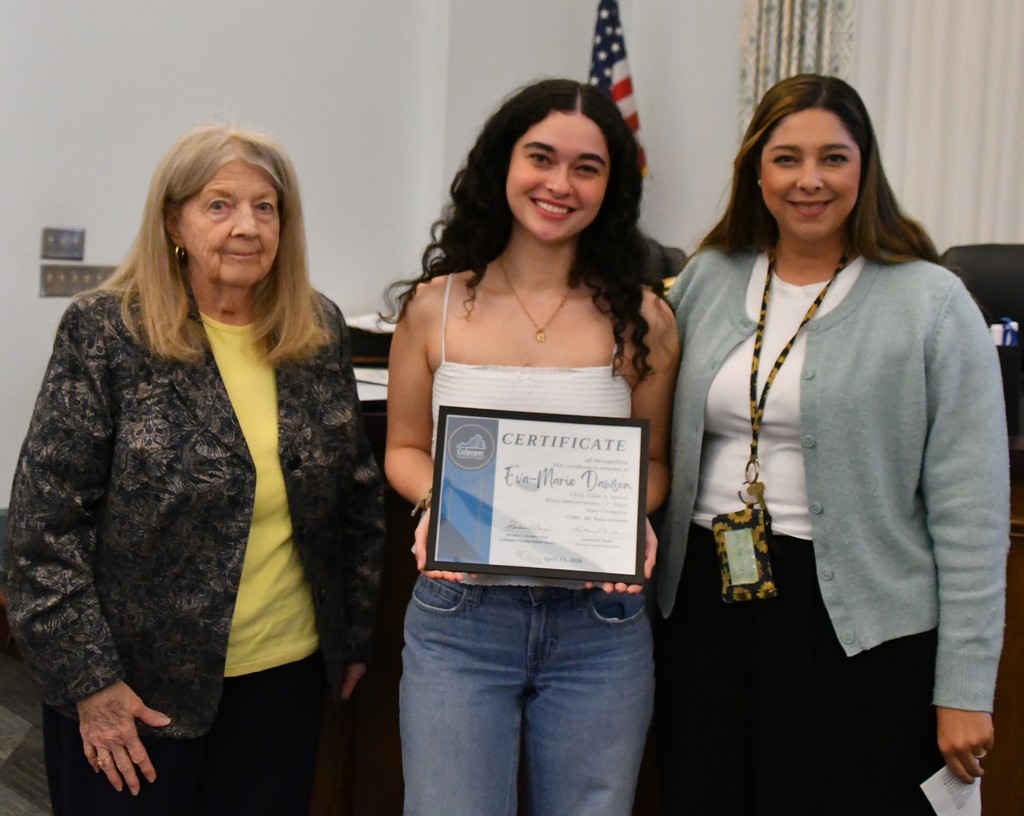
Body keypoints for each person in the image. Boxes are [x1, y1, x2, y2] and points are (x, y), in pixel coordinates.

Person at [0, 125, 386, 816]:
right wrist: (92, 683)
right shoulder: (107, 331)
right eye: (219, 205)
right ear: (173, 220)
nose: (246, 226)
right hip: (137, 693)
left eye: (266, 207)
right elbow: (42, 528)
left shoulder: (316, 329)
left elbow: (354, 496)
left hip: (281, 678)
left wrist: (353, 635)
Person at [653, 73, 1010, 815]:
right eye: (786, 158)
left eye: (833, 158)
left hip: (860, 631)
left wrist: (965, 690)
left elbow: (973, 518)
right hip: (705, 613)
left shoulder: (932, 304)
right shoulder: (707, 279)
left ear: (865, 168)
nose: (808, 180)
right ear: (756, 170)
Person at [384, 78, 679, 815]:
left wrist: (621, 517)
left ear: (612, 187)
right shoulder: (435, 308)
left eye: (587, 167)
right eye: (540, 158)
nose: (559, 184)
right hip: (460, 622)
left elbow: (654, 467)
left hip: (599, 627)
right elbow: (404, 448)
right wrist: (439, 499)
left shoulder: (645, 318)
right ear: (501, 166)